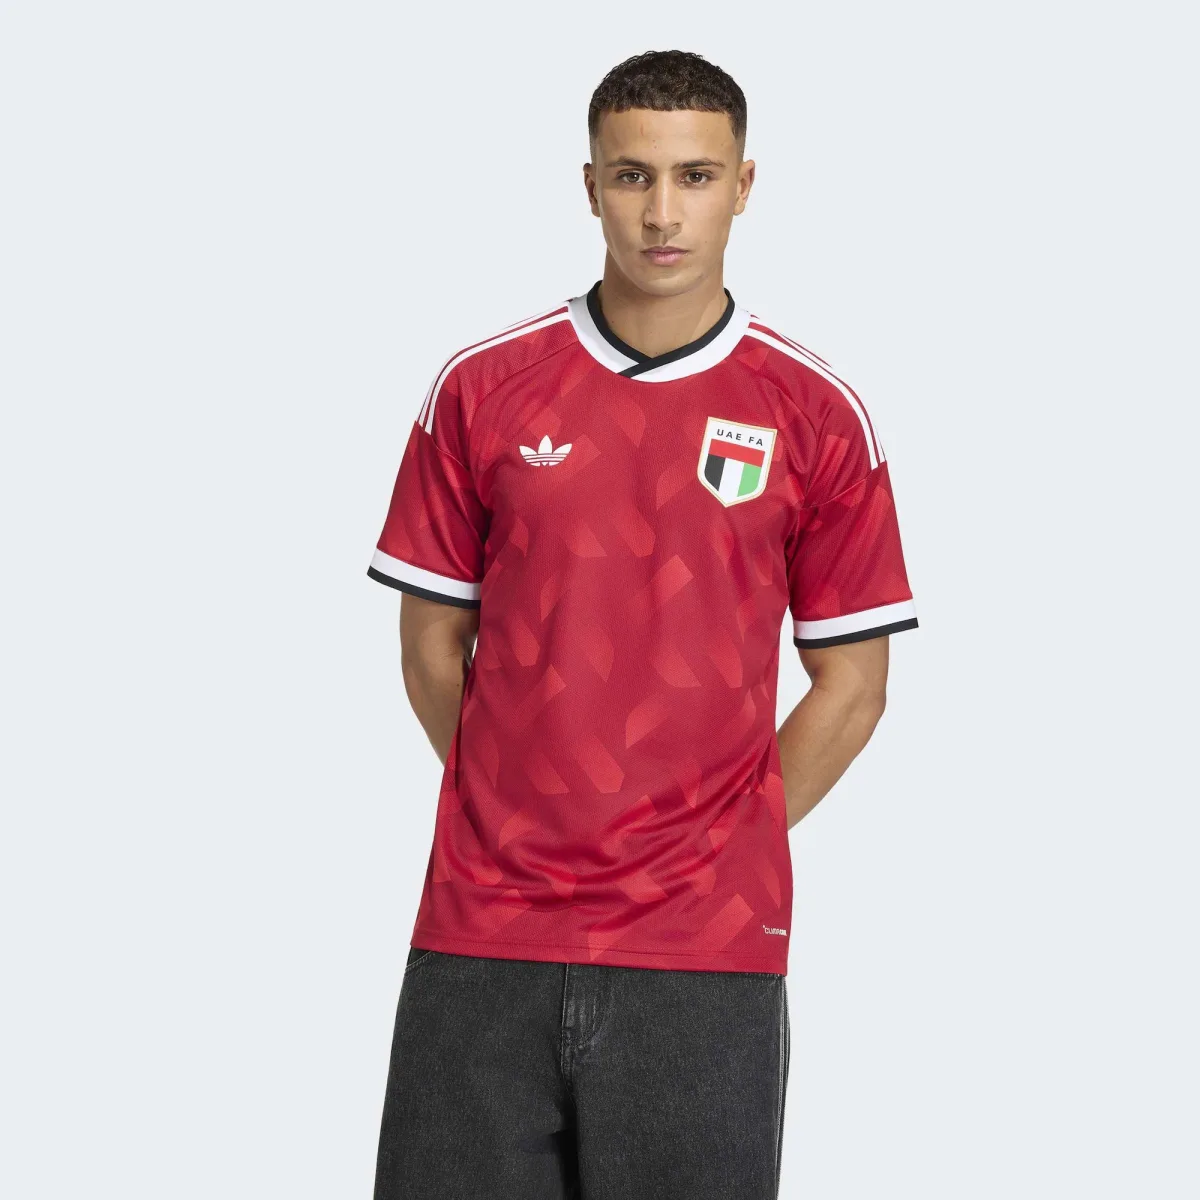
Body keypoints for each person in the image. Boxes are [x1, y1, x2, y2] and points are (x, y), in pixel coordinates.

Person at [366, 48, 917, 1200]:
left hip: (703, 950)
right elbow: (428, 647)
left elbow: (854, 685)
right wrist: (515, 804)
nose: (663, 212)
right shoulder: (481, 387)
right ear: (590, 186)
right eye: (633, 176)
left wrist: (715, 842)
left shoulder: (816, 413)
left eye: (695, 176)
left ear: (744, 185)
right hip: (484, 930)